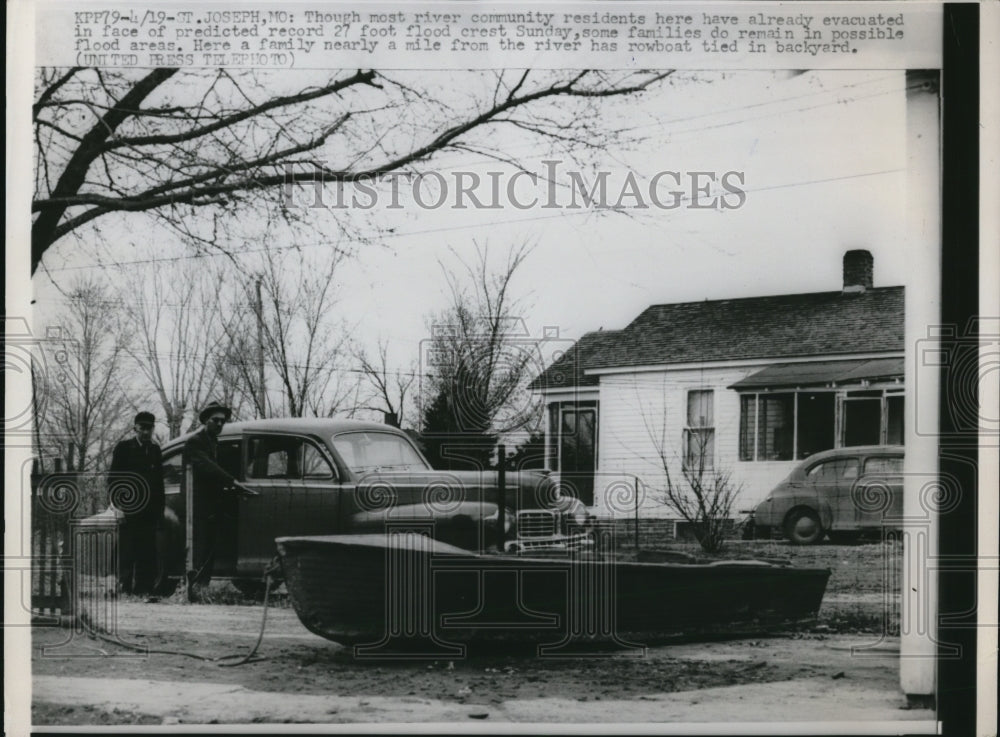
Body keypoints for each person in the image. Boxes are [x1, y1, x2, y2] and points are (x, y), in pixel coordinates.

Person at [184, 401, 256, 596]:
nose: (219, 424)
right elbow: (208, 467)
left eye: (222, 421)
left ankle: (204, 586)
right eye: (215, 420)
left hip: (212, 503)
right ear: (206, 421)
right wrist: (232, 481)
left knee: (211, 545)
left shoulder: (213, 441)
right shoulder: (195, 442)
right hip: (197, 504)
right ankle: (195, 587)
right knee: (200, 546)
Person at [108, 411, 165, 599]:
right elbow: (113, 480)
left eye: (150, 428)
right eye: (143, 428)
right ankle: (123, 587)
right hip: (129, 509)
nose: (146, 432)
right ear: (135, 428)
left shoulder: (155, 451)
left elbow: (158, 484)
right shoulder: (124, 448)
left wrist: (160, 511)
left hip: (149, 511)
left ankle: (143, 589)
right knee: (126, 549)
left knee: (147, 550)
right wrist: (119, 507)